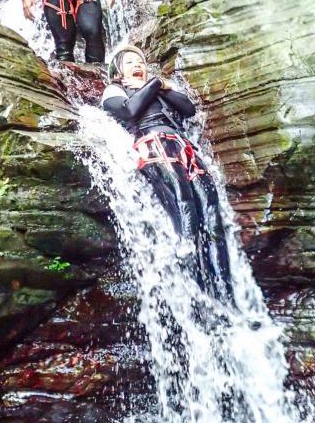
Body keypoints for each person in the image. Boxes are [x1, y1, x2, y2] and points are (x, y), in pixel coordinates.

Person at [101, 46, 235, 303]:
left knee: (212, 213)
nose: (137, 65)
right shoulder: (114, 90)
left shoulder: (162, 90)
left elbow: (188, 109)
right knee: (184, 206)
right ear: (117, 72)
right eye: (129, 62)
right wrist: (154, 84)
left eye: (140, 61)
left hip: (184, 147)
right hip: (153, 144)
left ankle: (225, 294)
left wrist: (160, 85)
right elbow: (128, 111)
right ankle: (196, 294)